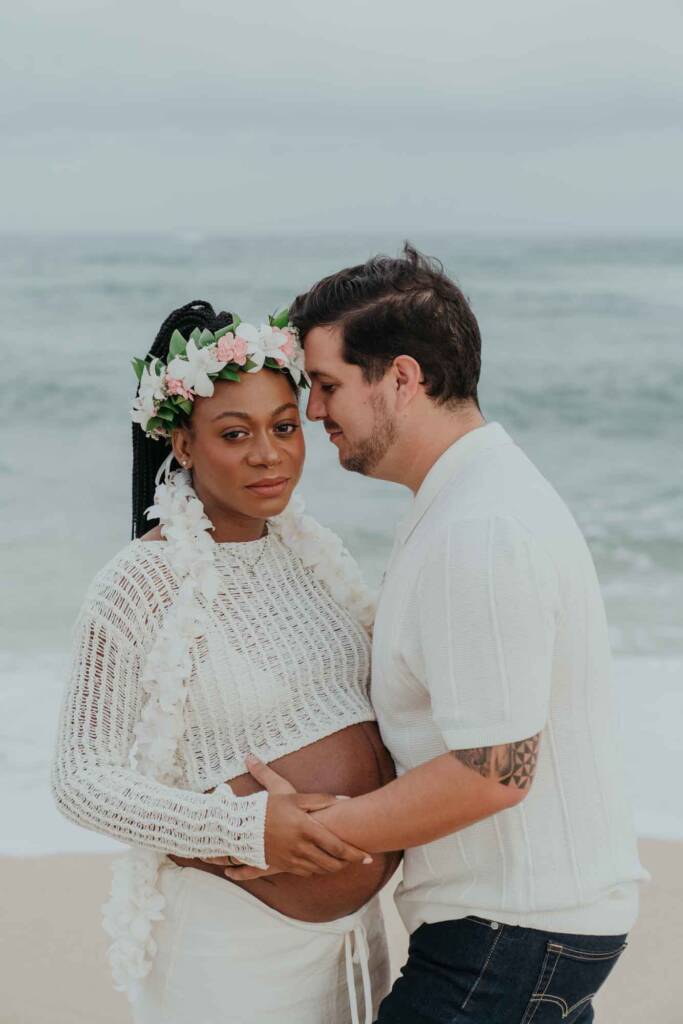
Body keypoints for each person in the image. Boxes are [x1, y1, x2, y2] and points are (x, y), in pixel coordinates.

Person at [227, 246, 648, 1023]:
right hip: (524, 927)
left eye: (327, 385)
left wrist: (316, 832)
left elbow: (496, 771)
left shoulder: (478, 527)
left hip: (511, 931)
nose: (313, 412)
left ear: (401, 378)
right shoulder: (466, 497)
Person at [51, 300, 401, 1024]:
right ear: (182, 444)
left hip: (354, 941)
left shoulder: (311, 558)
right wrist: (241, 830)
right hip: (230, 956)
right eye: (235, 434)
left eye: (284, 427)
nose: (268, 454)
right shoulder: (137, 582)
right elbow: (80, 780)